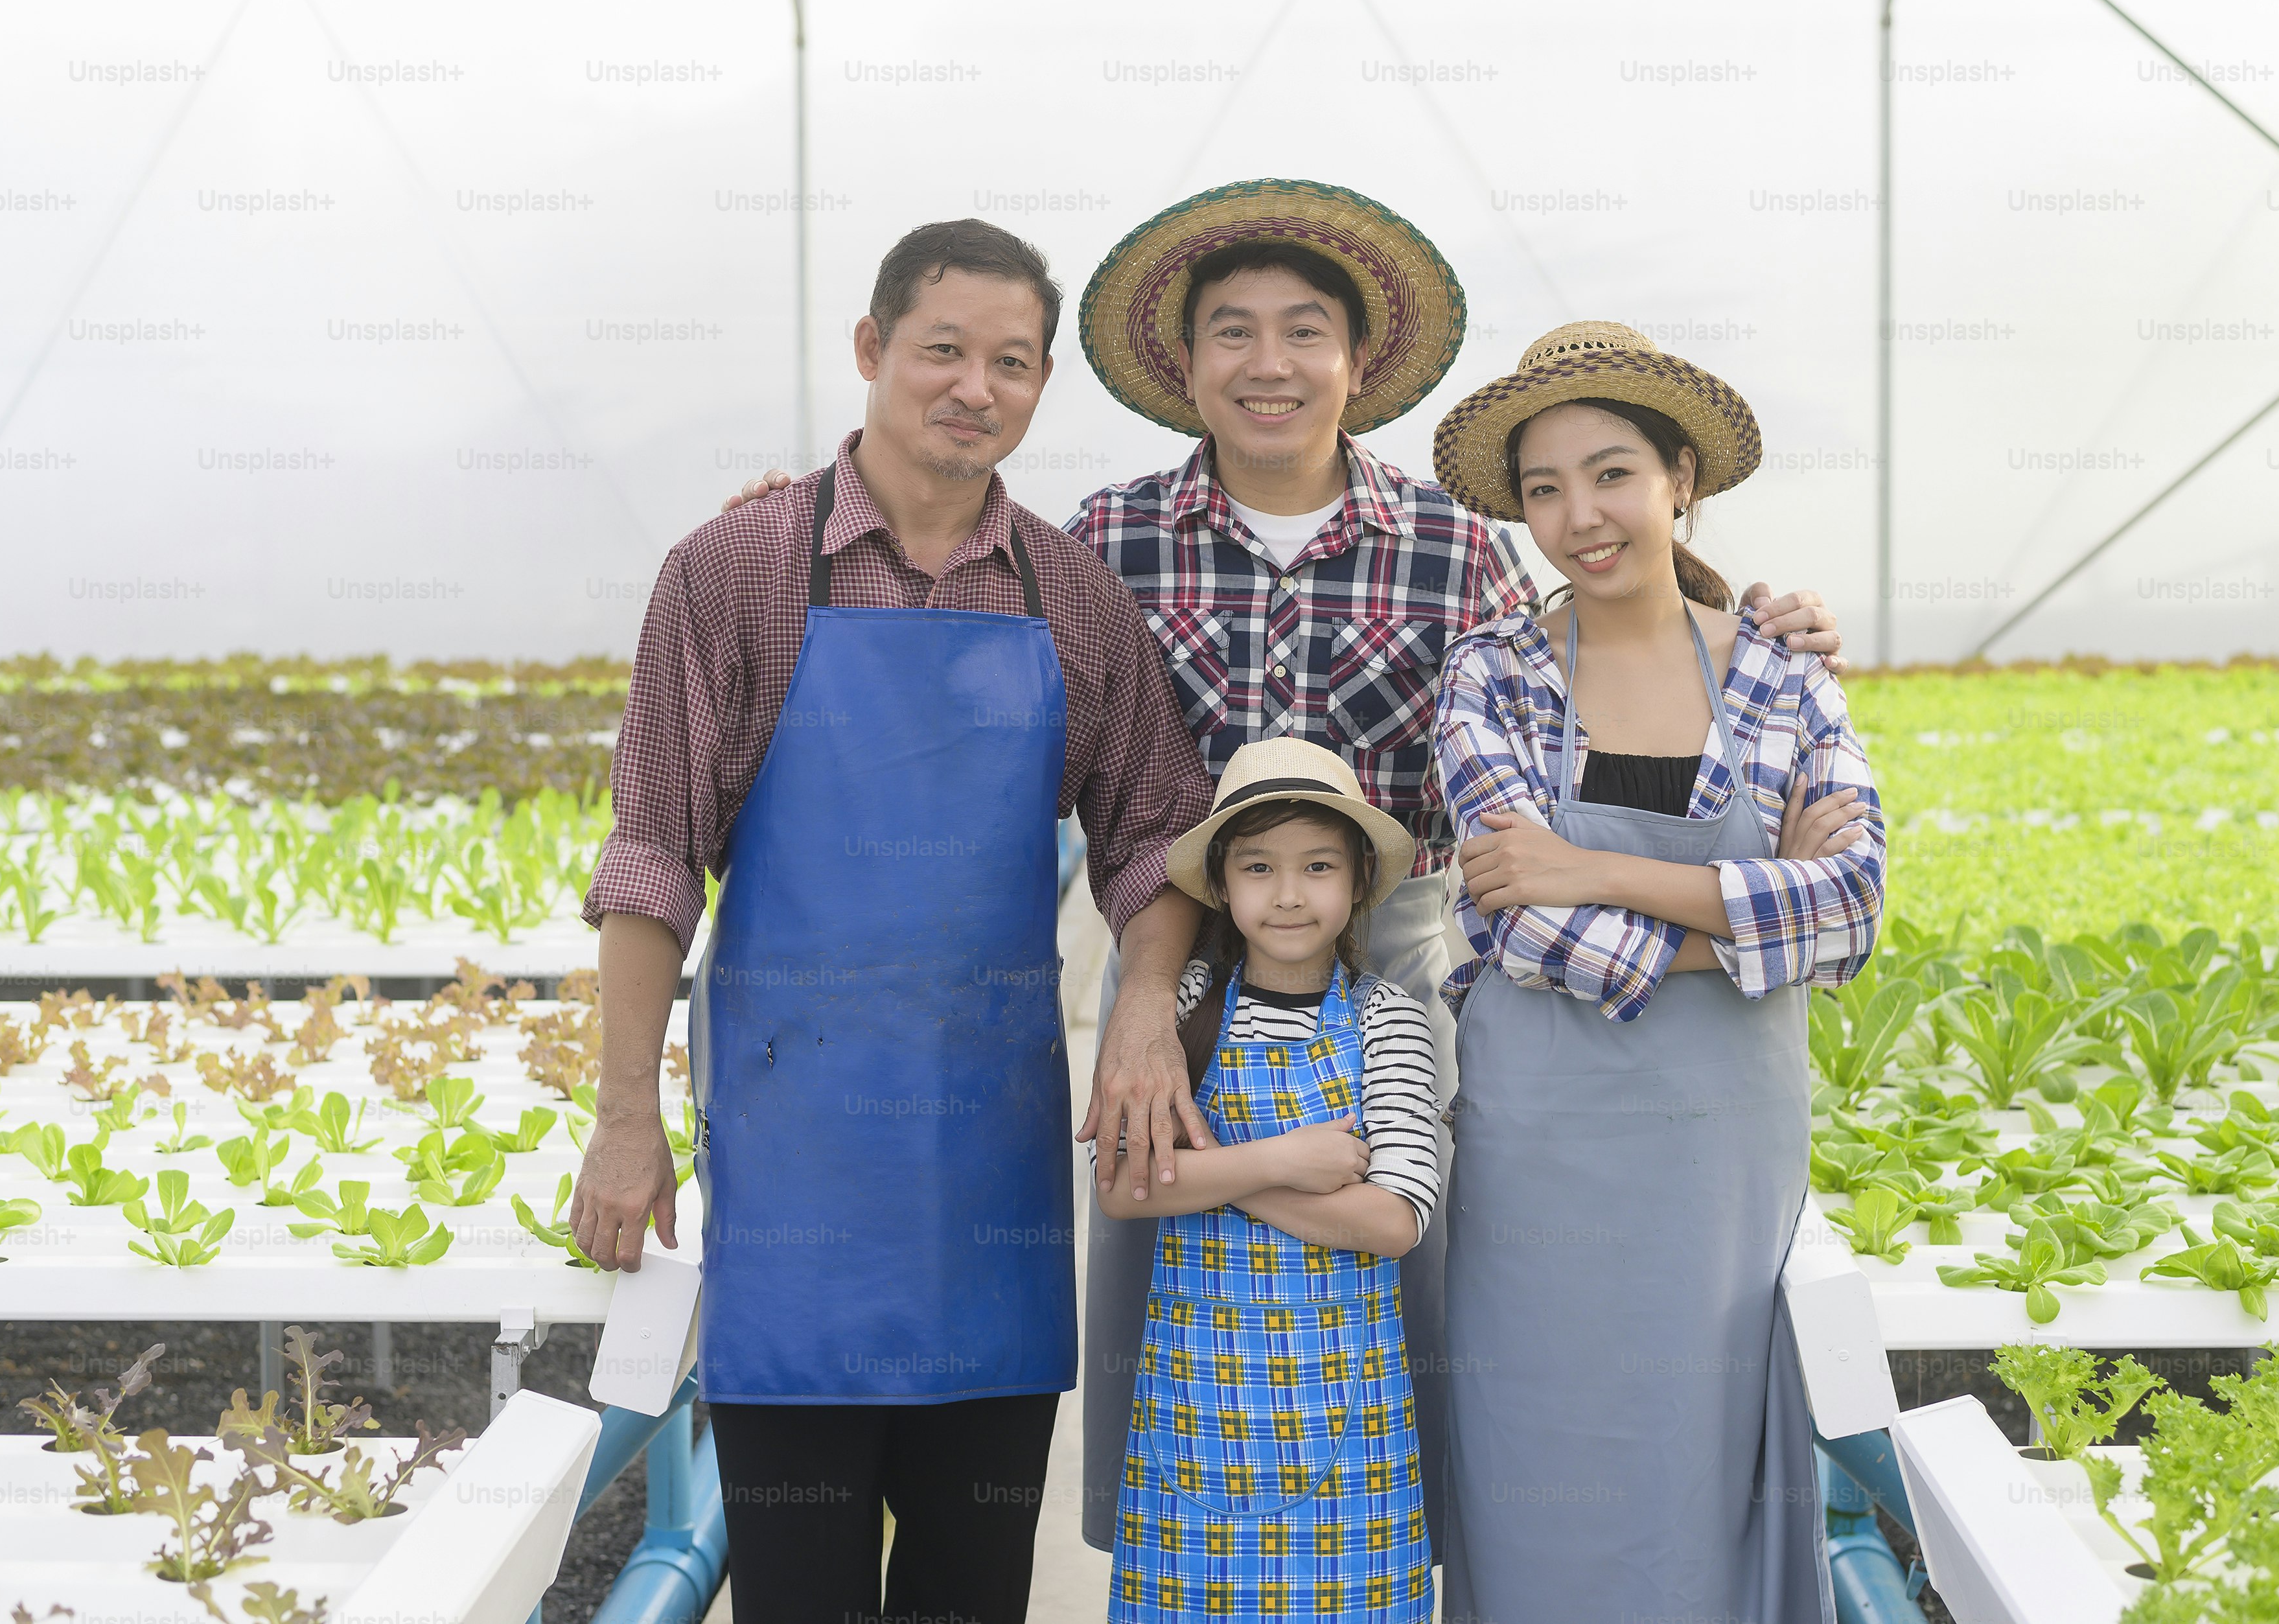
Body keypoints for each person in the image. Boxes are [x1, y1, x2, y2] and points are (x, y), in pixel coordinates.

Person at [717, 180, 1849, 1556]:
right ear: (1181, 366)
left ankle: (1376, 1559)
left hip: (1399, 966)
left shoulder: (1452, 546)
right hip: (1178, 969)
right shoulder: (1104, 540)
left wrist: (1751, 609)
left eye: (1303, 331)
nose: (1268, 363)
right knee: (1178, 1307)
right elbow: (955, 606)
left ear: (1355, 363)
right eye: (1231, 333)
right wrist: (796, 515)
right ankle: (1188, 1559)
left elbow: (1599, 655)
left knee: (1392, 1290)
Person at [568, 218, 1212, 1624]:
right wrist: (626, 1114)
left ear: (1040, 388)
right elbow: (654, 855)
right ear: (870, 352)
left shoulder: (1071, 597)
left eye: (1010, 363)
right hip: (798, 1177)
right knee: (797, 1591)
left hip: (989, 1179)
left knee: (971, 1591)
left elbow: (1158, 833)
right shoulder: (733, 571)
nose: (972, 386)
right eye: (941, 350)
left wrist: (1146, 1000)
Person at [1427, 321, 1886, 1623]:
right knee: (1538, 1460)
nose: (1578, 515)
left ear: (1681, 476)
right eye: (1541, 487)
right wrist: (1746, 927)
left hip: (1721, 1162)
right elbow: (1521, 928)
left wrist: (1603, 869)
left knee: (1711, 1469)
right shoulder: (1494, 674)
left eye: (1611, 472)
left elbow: (1849, 910)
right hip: (1542, 1161)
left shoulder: (1779, 674)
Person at [1096, 737, 1440, 1623]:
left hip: (1349, 1432)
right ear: (1222, 883)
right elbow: (1117, 1187)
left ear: (1359, 878)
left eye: (1317, 866)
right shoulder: (1181, 1017)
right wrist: (1283, 1161)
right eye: (1259, 867)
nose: (1288, 894)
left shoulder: (1391, 1021)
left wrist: (1201, 1174)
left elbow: (1395, 1218)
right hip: (1194, 1424)